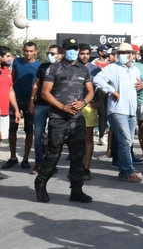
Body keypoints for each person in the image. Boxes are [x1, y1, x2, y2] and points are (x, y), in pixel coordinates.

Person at [34, 38, 94, 203]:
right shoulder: (54, 68)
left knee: (78, 155)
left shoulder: (83, 70)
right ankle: (40, 184)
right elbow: (45, 93)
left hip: (77, 119)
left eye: (75, 49)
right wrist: (62, 107)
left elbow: (90, 92)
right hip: (58, 118)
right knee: (53, 154)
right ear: (63, 50)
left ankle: (76, 190)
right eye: (70, 49)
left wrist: (84, 102)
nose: (73, 52)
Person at [93, 43, 143, 183]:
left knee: (127, 142)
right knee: (125, 140)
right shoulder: (112, 68)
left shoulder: (135, 69)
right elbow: (97, 79)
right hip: (117, 109)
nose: (122, 55)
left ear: (131, 54)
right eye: (120, 52)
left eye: (125, 52)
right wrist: (112, 90)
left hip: (131, 110)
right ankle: (127, 171)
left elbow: (142, 83)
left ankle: (124, 171)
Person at [3, 41, 41, 170]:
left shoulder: (38, 65)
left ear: (35, 51)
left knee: (29, 130)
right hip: (15, 100)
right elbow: (11, 80)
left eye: (31, 51)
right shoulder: (17, 62)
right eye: (26, 50)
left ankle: (25, 159)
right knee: (12, 129)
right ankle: (13, 157)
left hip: (29, 101)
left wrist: (32, 101)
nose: (28, 53)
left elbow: (38, 84)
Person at [29, 45, 64, 175]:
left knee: (53, 136)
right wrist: (31, 100)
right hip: (40, 105)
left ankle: (50, 164)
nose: (50, 55)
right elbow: (37, 84)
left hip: (56, 106)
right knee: (38, 135)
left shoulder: (64, 67)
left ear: (60, 54)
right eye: (49, 52)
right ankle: (39, 163)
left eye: (53, 53)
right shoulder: (43, 66)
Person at [77, 43, 100, 181]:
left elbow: (103, 86)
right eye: (82, 53)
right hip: (73, 106)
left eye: (87, 54)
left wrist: (100, 102)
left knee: (88, 138)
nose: (84, 56)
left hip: (89, 107)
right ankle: (77, 167)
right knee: (75, 139)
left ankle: (86, 168)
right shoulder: (73, 68)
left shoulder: (96, 69)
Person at [0, 46, 21, 179]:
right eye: (8, 56)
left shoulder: (7, 70)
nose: (11, 58)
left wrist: (17, 110)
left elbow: (10, 91)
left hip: (4, 111)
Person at [91, 44, 111, 146]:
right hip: (96, 90)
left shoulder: (109, 63)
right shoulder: (94, 63)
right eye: (104, 52)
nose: (106, 53)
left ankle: (102, 136)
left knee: (104, 114)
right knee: (96, 112)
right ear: (99, 52)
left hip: (107, 90)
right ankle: (93, 132)